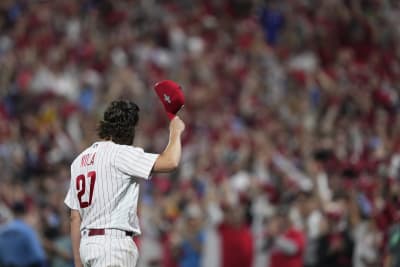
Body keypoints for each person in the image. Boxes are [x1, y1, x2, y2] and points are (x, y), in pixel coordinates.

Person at [64, 100, 185, 267]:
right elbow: (171, 161)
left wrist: (78, 261)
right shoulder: (121, 154)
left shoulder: (78, 162)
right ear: (130, 130)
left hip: (87, 246)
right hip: (113, 246)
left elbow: (75, 217)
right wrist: (175, 132)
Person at [0, 202, 47, 267]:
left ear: (12, 213)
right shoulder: (27, 230)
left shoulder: (2, 231)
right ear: (25, 213)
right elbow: (38, 257)